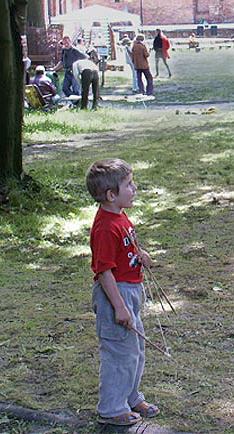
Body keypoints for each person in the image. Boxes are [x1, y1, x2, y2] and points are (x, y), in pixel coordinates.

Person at [86, 158, 160, 427]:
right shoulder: (105, 227)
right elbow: (104, 271)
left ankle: (130, 397)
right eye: (128, 184)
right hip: (115, 296)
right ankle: (111, 408)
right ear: (111, 195)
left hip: (129, 292)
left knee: (134, 349)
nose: (134, 188)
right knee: (119, 353)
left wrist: (139, 255)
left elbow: (123, 249)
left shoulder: (119, 215)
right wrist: (119, 307)